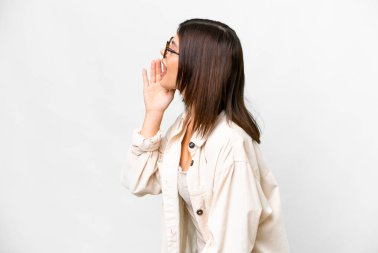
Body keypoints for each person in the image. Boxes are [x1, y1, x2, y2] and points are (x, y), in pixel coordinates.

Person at [120, 18, 290, 253]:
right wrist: (153, 112)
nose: (162, 51)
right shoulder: (186, 126)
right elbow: (139, 181)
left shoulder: (231, 144)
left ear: (196, 65)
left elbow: (231, 247)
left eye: (171, 48)